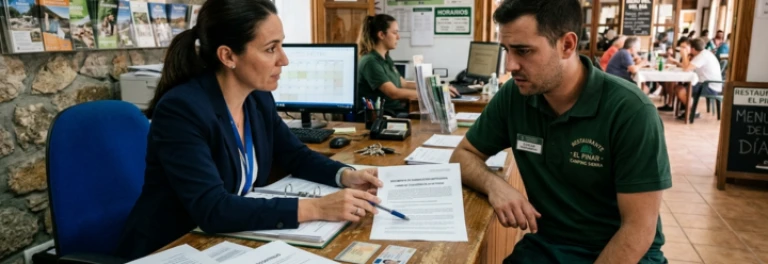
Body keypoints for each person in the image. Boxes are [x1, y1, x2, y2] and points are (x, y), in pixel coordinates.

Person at [116, 0, 383, 259]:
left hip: (225, 240)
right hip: (172, 246)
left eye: (282, 46)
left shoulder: (257, 98)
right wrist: (316, 207)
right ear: (228, 56)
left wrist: (346, 175)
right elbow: (213, 208)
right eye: (271, 49)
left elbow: (296, 156)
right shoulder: (181, 110)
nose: (284, 60)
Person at [449, 0, 671, 263]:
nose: (510, 65)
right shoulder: (515, 95)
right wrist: (495, 185)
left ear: (567, 45)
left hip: (623, 252)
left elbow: (638, 230)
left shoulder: (631, 111)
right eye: (507, 50)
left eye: (523, 51)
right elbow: (462, 155)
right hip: (549, 246)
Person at [356, 14, 457, 118]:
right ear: (381, 35)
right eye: (395, 33)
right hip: (385, 115)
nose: (398, 37)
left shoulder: (385, 58)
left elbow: (403, 83)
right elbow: (394, 93)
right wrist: (434, 94)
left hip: (396, 111)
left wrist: (436, 87)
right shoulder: (370, 62)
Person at [670, 38, 723, 120]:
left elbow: (687, 69)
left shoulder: (702, 56)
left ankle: (694, 112)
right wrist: (678, 62)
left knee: (680, 89)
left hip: (710, 86)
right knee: (680, 87)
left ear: (693, 49)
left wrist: (684, 55)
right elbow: (689, 67)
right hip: (707, 84)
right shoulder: (703, 54)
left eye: (688, 47)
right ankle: (687, 109)